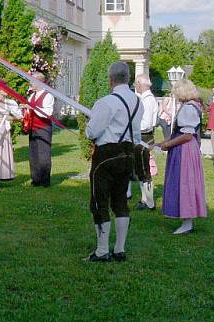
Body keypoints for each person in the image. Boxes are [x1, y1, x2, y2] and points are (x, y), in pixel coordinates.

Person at [84, 61, 142, 262]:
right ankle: (119, 249)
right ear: (128, 78)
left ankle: (101, 250)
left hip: (106, 155)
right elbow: (136, 133)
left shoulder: (106, 102)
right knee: (120, 200)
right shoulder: (138, 101)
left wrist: (87, 126)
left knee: (100, 201)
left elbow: (92, 131)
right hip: (128, 153)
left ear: (110, 79)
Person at [157, 79, 207, 235]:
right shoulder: (191, 106)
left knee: (185, 182)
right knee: (184, 181)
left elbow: (187, 135)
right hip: (185, 148)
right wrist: (164, 142)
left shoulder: (189, 109)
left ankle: (187, 221)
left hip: (185, 150)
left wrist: (169, 144)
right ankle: (186, 218)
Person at [24, 72, 55, 187]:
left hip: (43, 128)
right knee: (33, 154)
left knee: (43, 154)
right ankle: (35, 179)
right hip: (33, 128)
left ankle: (45, 181)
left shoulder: (48, 96)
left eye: (32, 81)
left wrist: (32, 108)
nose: (30, 83)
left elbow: (47, 113)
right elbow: (29, 111)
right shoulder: (32, 96)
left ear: (39, 82)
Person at [134, 74, 159, 210]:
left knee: (144, 169)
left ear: (141, 84)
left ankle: (149, 202)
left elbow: (147, 123)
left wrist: (132, 126)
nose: (135, 86)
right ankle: (145, 199)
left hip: (144, 136)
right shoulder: (145, 99)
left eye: (136, 83)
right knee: (140, 169)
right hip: (142, 136)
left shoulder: (147, 100)